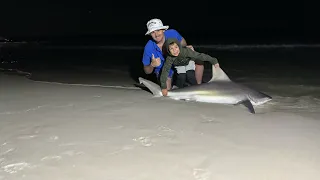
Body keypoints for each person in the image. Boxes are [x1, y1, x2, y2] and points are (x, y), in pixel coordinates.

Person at [141, 18, 204, 90]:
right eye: (153, 32)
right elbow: (147, 71)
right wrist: (152, 65)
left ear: (163, 30)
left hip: (177, 60)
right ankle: (180, 83)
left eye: (158, 30)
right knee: (167, 90)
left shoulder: (172, 33)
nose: (156, 34)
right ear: (150, 34)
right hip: (164, 68)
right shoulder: (148, 47)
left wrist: (185, 48)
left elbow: (183, 42)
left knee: (198, 59)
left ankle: (198, 87)